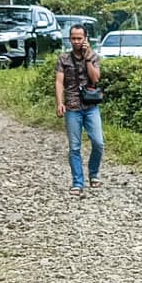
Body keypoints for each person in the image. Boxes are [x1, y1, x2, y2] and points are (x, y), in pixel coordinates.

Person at [54, 24, 103, 195]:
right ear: (69, 39)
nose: (76, 41)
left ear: (85, 39)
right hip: (72, 106)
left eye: (79, 38)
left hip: (91, 106)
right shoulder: (63, 59)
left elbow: (95, 79)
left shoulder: (93, 56)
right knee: (74, 147)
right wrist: (59, 102)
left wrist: (87, 57)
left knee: (98, 143)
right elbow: (59, 81)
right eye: (73, 38)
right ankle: (77, 182)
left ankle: (93, 173)